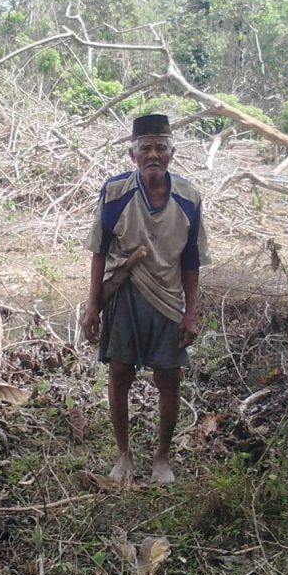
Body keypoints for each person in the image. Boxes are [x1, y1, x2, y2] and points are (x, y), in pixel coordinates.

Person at [81, 114, 210, 483]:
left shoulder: (188, 197)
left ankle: (161, 459)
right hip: (124, 293)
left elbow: (191, 261)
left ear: (172, 153)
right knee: (119, 374)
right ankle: (123, 455)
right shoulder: (115, 192)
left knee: (168, 378)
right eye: (146, 148)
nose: (153, 155)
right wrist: (93, 305)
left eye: (160, 148)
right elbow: (99, 251)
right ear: (132, 154)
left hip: (168, 297)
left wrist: (190, 313)